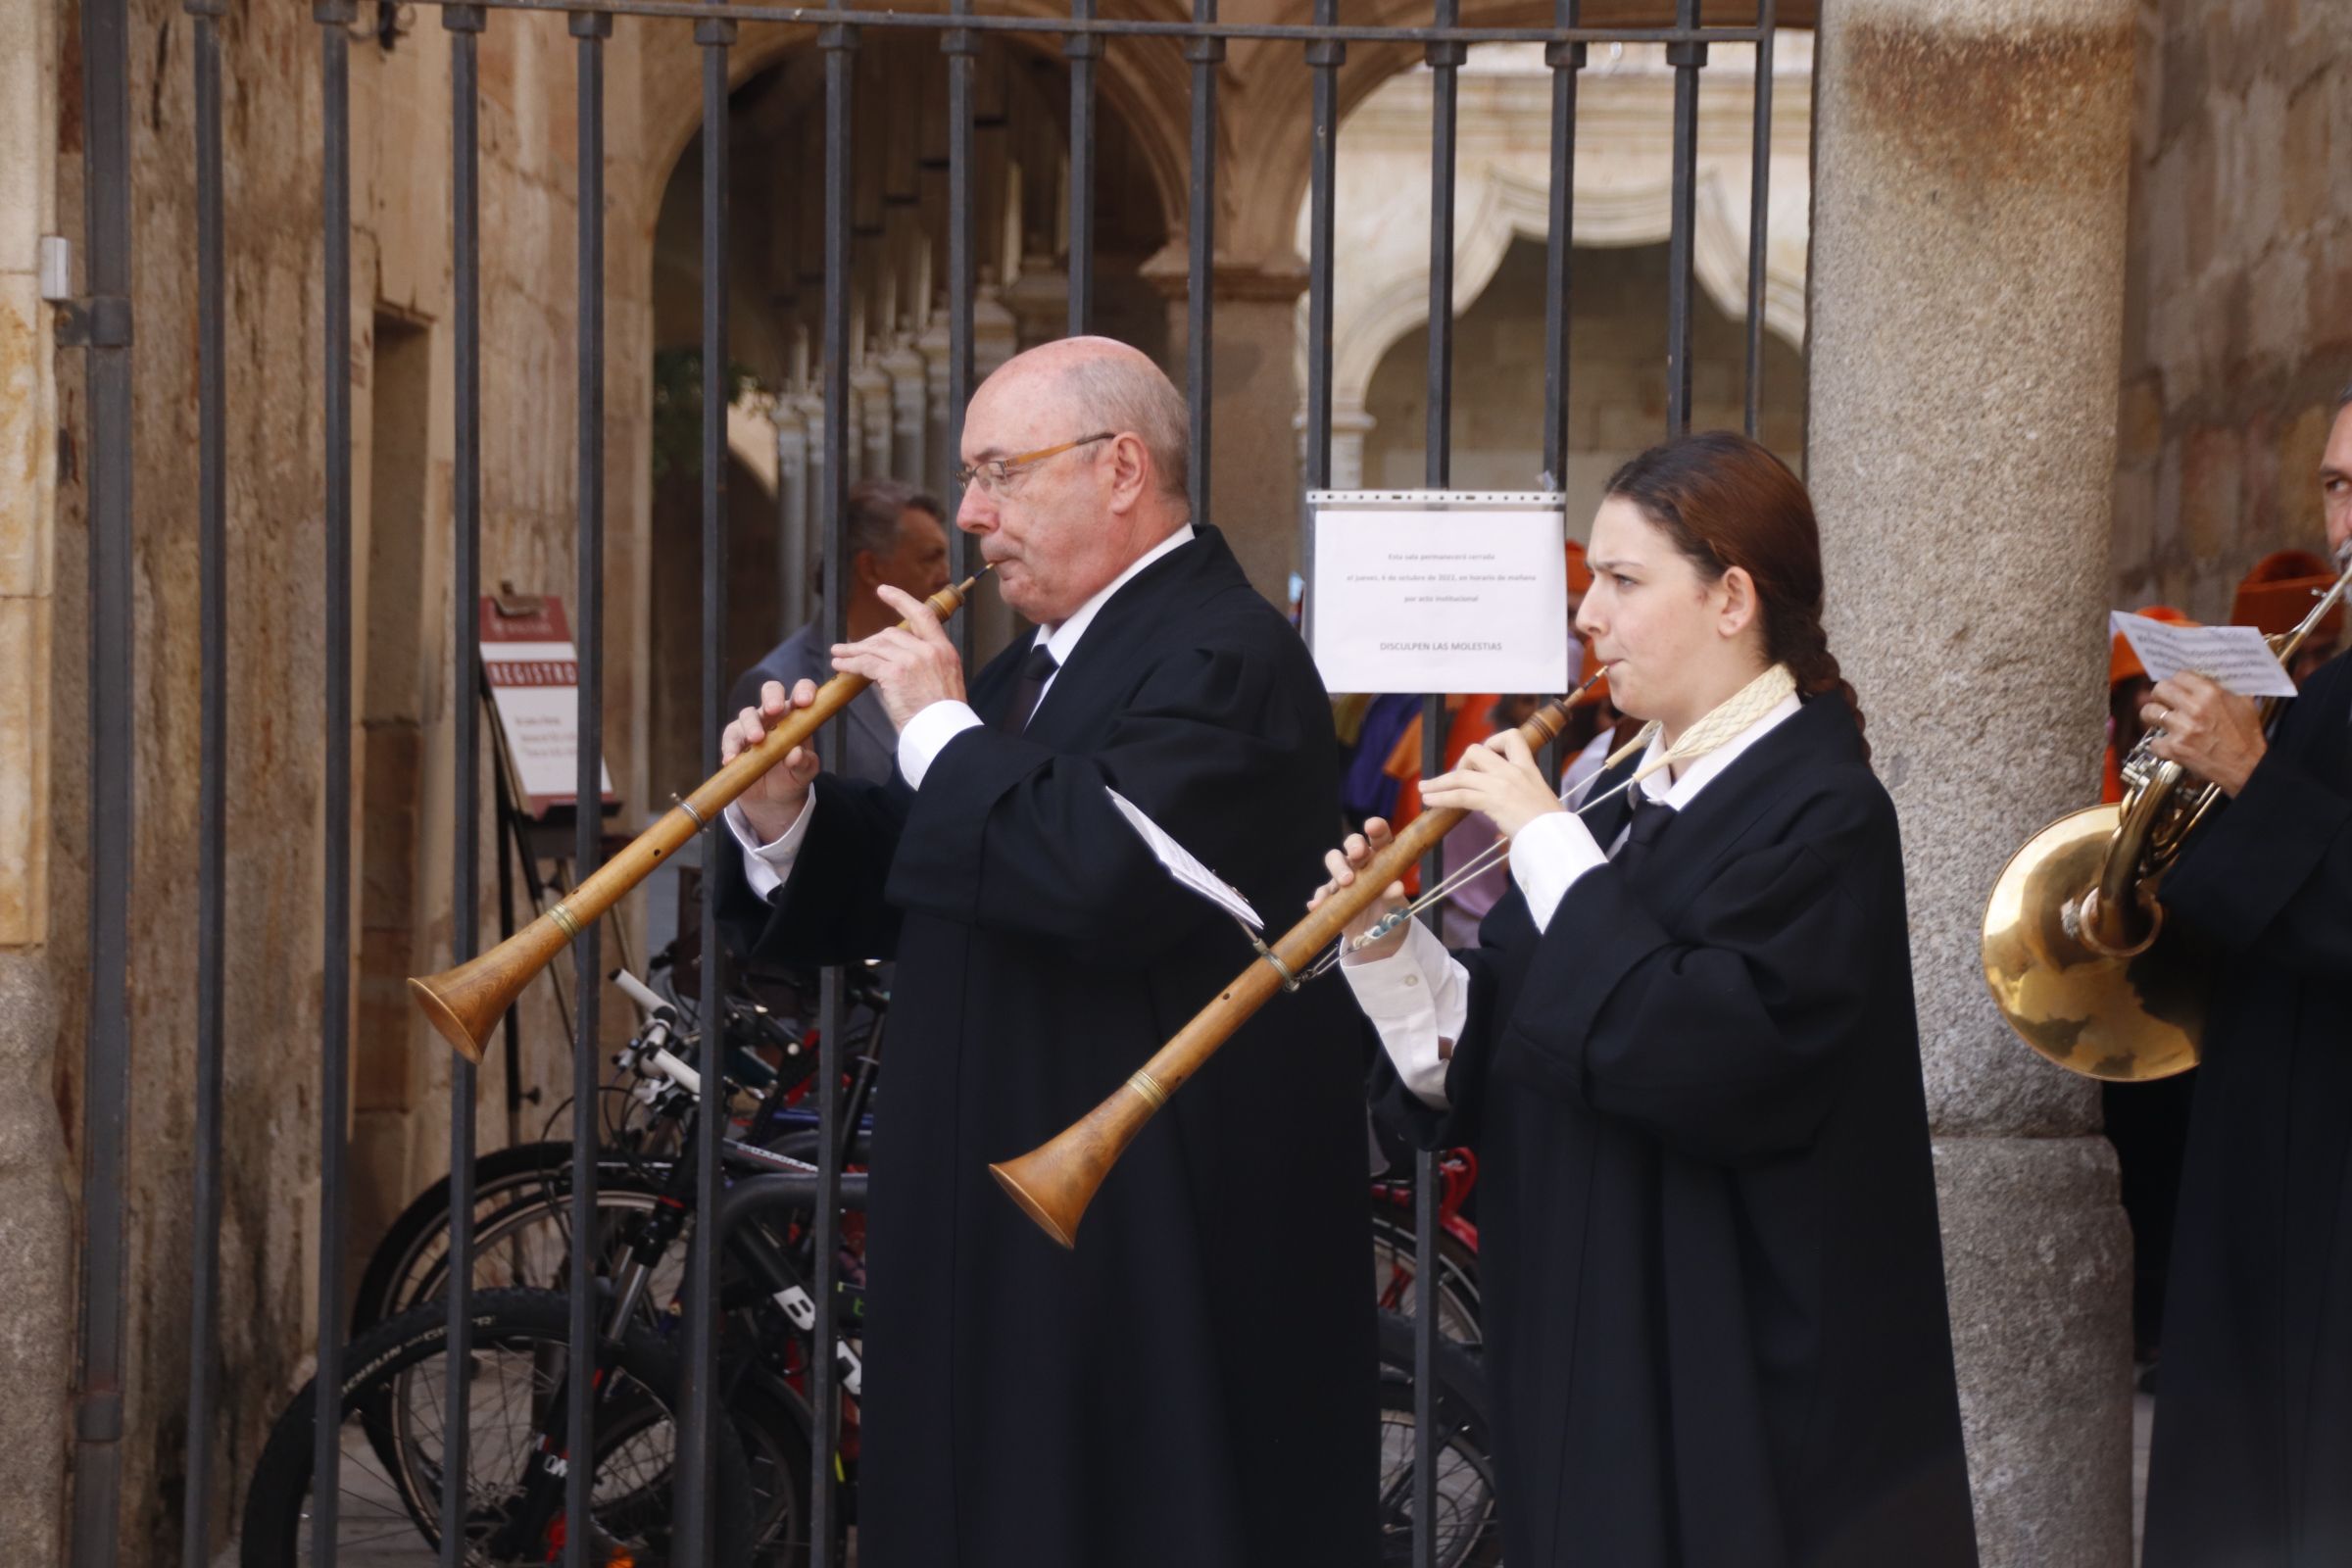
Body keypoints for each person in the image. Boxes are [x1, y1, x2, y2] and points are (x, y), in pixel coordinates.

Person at [713, 337, 1376, 1568]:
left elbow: (1096, 871)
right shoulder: (1049, 656)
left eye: (1001, 474)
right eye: (972, 481)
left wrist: (935, 725)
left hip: (1144, 1237)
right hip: (997, 1208)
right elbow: (942, 854)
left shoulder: (1223, 656)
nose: (970, 517)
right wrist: (786, 812)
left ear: (1122, 468)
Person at [1315, 430, 1978, 1566]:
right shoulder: (1622, 788)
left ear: (1731, 598)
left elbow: (1709, 1053)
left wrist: (1545, 842)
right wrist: (1388, 943)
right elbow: (1520, 1027)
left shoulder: (1824, 806)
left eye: (1623, 582)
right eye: (1590, 585)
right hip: (1592, 1326)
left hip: (1730, 1353)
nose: (1589, 618)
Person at [2140, 387, 2352, 1567]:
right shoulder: (2329, 688)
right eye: (2333, 484)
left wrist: (2253, 778)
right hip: (2268, 1157)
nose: (2344, 521)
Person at [727, 477, 951, 786]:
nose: (946, 575)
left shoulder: (937, 662)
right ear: (870, 568)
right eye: (930, 558)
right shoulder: (778, 680)